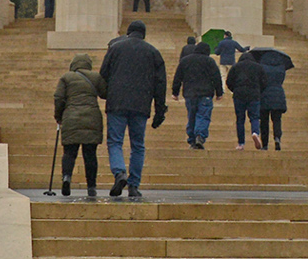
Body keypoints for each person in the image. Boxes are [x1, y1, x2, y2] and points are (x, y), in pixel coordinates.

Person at [99, 20, 168, 199]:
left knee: (115, 141)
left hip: (117, 103)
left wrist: (107, 93)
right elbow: (160, 84)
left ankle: (119, 172)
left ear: (128, 32)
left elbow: (103, 74)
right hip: (141, 105)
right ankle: (134, 185)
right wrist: (159, 110)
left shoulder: (115, 48)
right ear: (143, 34)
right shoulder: (153, 52)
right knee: (138, 145)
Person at [52, 52, 104, 198]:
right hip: (92, 118)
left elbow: (59, 98)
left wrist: (58, 116)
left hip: (71, 117)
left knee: (69, 152)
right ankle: (91, 187)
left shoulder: (66, 77)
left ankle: (67, 178)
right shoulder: (95, 77)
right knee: (90, 154)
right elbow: (105, 93)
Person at [170, 39, 224, 149]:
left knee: (192, 116)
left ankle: (192, 139)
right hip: (205, 94)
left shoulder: (185, 60)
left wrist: (175, 92)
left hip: (190, 93)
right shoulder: (209, 61)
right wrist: (219, 92)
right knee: (203, 115)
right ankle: (200, 135)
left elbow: (178, 78)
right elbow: (216, 77)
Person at [253, 47, 295, 150]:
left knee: (264, 121)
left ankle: (265, 144)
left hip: (264, 95)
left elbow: (260, 81)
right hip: (278, 94)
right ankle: (277, 138)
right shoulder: (281, 68)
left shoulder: (261, 67)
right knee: (277, 120)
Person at [227, 50, 266, 150]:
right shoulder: (258, 67)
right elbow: (264, 82)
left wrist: (235, 89)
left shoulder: (236, 66)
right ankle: (255, 132)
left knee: (240, 119)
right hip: (254, 94)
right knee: (255, 117)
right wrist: (258, 90)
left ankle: (241, 143)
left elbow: (229, 81)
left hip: (239, 94)